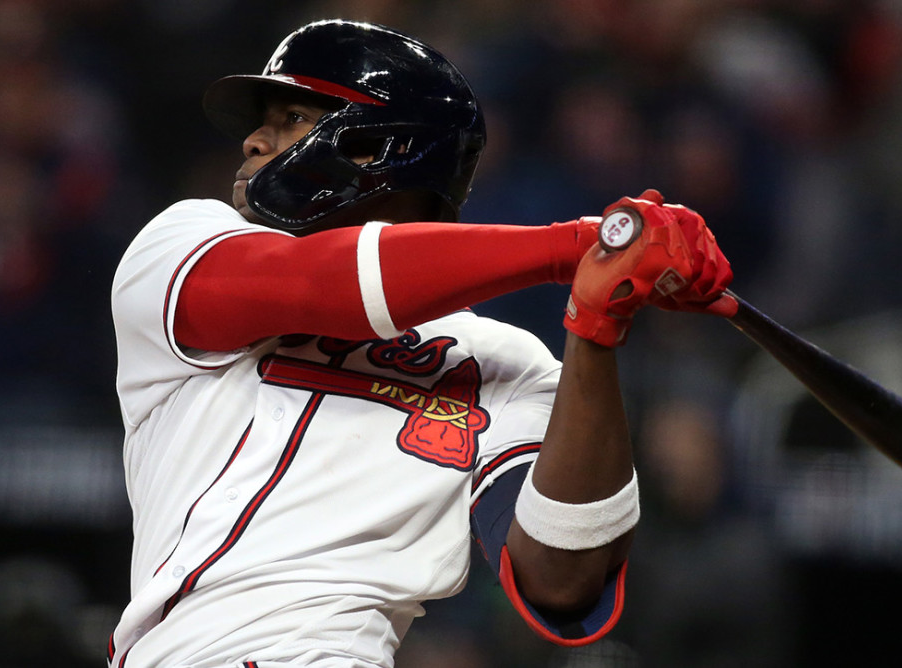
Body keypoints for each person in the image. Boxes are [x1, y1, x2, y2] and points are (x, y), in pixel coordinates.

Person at [108, 19, 735, 668]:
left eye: (291, 117)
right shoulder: (182, 242)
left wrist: (596, 328)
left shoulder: (503, 360)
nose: (253, 140)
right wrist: (580, 245)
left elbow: (562, 582)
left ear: (378, 149)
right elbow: (325, 283)